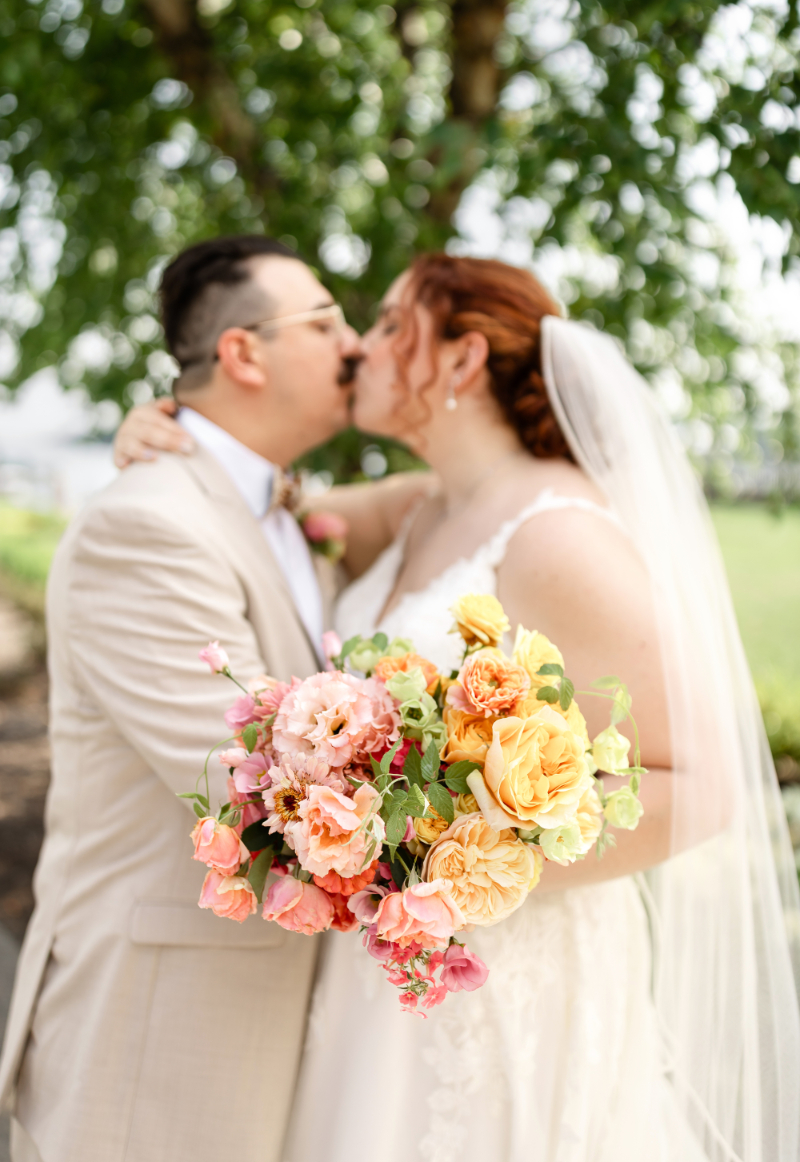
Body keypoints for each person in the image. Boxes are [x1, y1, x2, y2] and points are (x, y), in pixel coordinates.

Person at [113, 253, 800, 1161]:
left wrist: (444, 865)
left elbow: (706, 785)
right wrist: (172, 430)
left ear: (463, 359)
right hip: (387, 974)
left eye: (395, 324)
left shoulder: (560, 537)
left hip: (501, 977)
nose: (362, 348)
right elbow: (270, 513)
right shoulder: (420, 511)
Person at [0, 234, 366, 1162]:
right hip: (159, 1038)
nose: (356, 343)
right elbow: (259, 789)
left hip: (277, 1031)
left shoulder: (286, 507)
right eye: (326, 322)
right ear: (243, 352)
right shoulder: (149, 524)